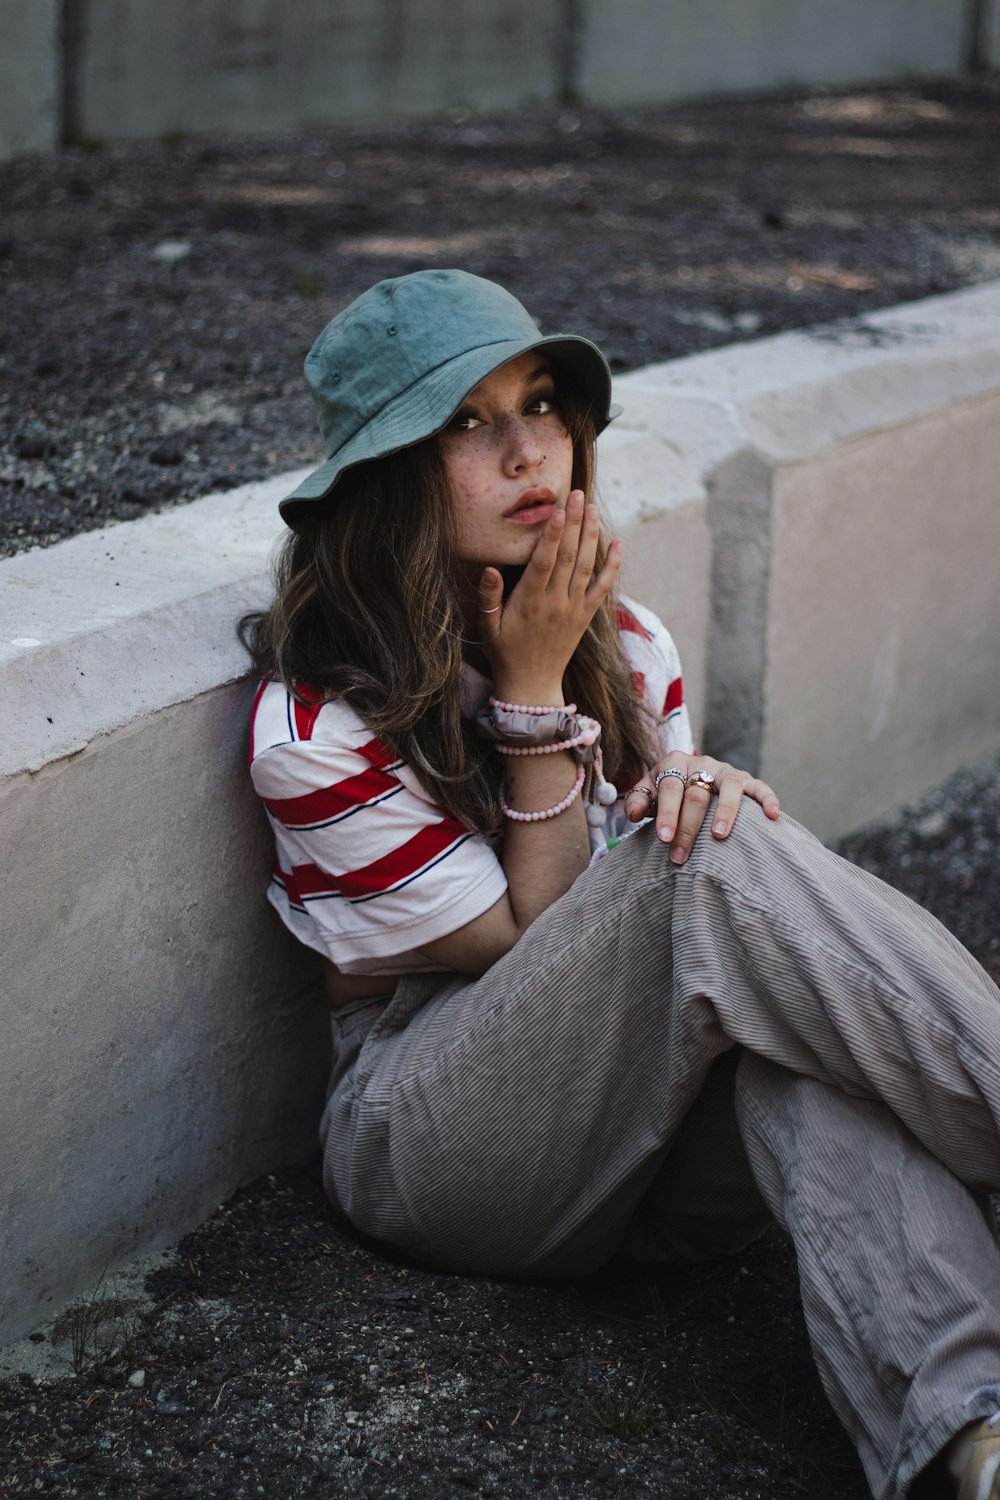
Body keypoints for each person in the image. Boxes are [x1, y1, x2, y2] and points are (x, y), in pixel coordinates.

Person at [241, 268, 1000, 1500]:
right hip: (438, 1143)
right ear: (381, 480)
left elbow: (661, 940)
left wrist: (690, 783)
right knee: (705, 866)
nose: (528, 449)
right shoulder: (315, 727)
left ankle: (971, 1436)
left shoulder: (629, 642)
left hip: (638, 1141)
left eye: (540, 404)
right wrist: (535, 705)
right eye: (465, 422)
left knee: (792, 1036)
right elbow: (535, 947)